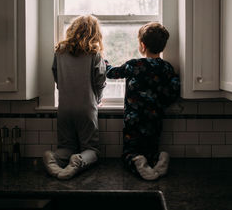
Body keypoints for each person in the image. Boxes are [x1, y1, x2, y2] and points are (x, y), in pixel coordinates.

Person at [106, 22, 180, 180]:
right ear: (163, 46)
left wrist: (104, 62)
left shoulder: (134, 65)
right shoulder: (167, 68)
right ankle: (159, 158)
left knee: (129, 152)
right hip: (155, 118)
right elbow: (174, 91)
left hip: (134, 118)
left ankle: (136, 161)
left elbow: (112, 73)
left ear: (142, 45)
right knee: (151, 148)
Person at [43, 15, 106, 180]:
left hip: (64, 107)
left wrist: (63, 89)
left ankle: (53, 158)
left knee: (66, 146)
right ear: (94, 33)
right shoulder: (94, 53)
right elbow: (100, 81)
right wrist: (97, 100)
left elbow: (55, 74)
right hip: (86, 108)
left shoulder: (60, 51)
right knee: (92, 149)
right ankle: (79, 160)